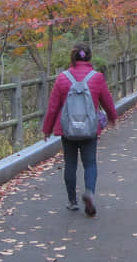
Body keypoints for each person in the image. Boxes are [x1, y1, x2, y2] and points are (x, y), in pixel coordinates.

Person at [42, 43, 117, 216]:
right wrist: (112, 117)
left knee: (70, 163)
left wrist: (47, 129)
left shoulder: (62, 78)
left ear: (73, 57)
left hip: (67, 130)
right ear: (89, 57)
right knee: (90, 162)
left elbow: (53, 107)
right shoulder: (97, 77)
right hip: (90, 128)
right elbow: (107, 100)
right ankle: (89, 192)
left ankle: (72, 201)